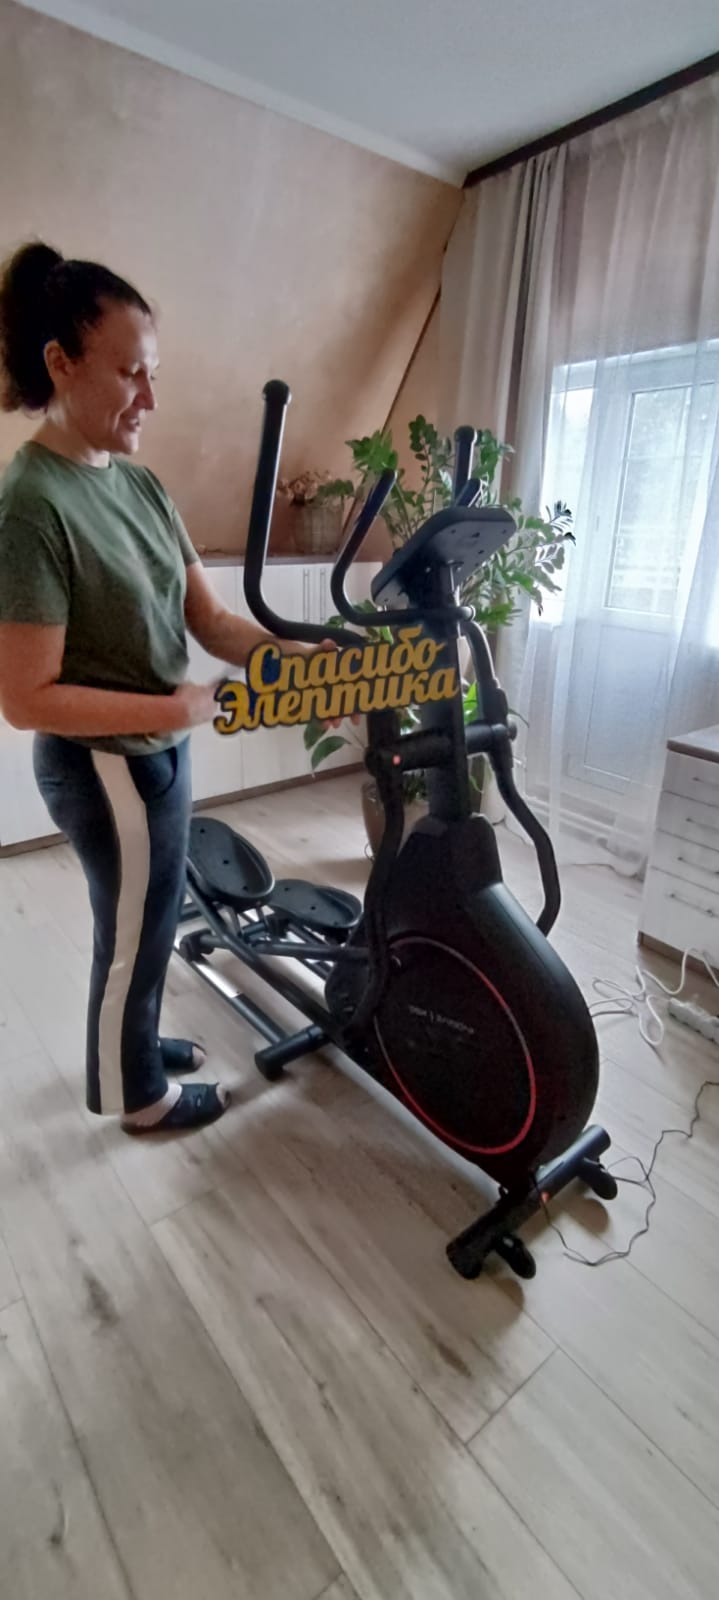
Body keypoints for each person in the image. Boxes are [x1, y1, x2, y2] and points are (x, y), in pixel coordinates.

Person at [0, 240, 319, 1134]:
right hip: (101, 764)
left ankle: (127, 1046)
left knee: (151, 916)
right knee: (136, 931)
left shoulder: (140, 486)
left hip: (158, 752)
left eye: (153, 374)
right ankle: (138, 1095)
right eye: (129, 373)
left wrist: (293, 659)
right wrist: (174, 708)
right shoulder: (30, 505)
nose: (149, 397)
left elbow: (209, 621)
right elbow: (26, 698)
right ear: (61, 363)